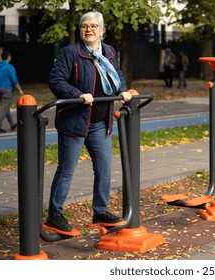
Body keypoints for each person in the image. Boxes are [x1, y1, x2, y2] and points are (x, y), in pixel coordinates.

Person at [46, 11, 132, 232]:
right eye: (85, 26)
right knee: (67, 169)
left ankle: (100, 212)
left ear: (101, 31)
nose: (89, 29)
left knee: (104, 167)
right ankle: (55, 216)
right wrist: (77, 94)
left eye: (93, 26)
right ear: (80, 30)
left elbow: (117, 75)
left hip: (100, 123)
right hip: (75, 122)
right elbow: (56, 80)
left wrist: (123, 90)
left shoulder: (109, 52)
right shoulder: (69, 53)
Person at [0, 51, 24, 133]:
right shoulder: (10, 67)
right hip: (7, 90)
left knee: (5, 107)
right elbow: (14, 79)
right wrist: (20, 90)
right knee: (4, 108)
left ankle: (12, 124)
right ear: (8, 57)